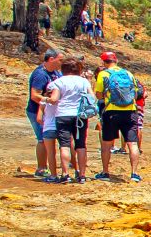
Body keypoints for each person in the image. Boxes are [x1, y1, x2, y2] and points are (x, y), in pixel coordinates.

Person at [93, 51, 144, 182]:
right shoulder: (128, 73)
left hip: (111, 111)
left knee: (106, 144)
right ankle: (134, 174)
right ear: (116, 61)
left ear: (104, 62)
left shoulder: (103, 74)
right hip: (130, 111)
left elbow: (98, 95)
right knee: (132, 144)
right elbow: (136, 92)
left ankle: (105, 172)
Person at [44, 57, 96, 184]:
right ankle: (82, 175)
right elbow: (92, 97)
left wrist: (46, 99)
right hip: (80, 115)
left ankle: (65, 174)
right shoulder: (84, 82)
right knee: (81, 144)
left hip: (63, 115)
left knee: (65, 145)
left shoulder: (58, 82)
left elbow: (54, 99)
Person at [26, 50, 60, 181]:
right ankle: (41, 168)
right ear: (51, 59)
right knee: (42, 138)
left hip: (49, 111)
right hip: (36, 111)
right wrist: (49, 101)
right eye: (60, 60)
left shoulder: (55, 73)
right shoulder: (40, 74)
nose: (61, 63)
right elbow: (34, 95)